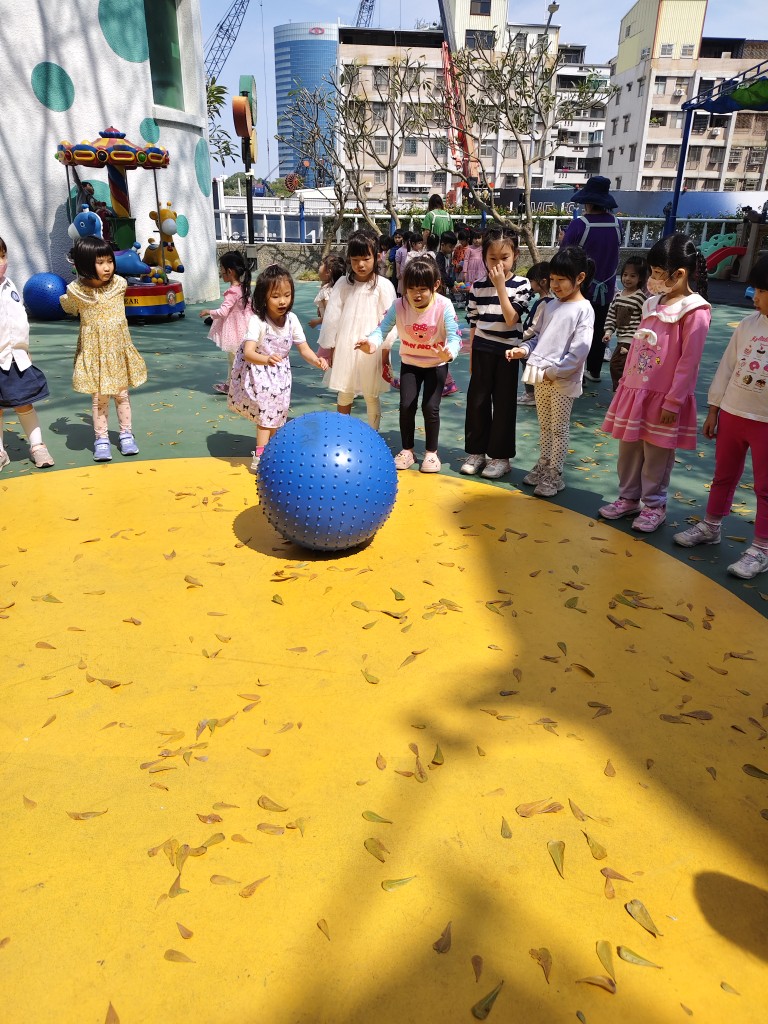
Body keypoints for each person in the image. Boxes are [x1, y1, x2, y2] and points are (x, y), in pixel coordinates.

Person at [599, 233, 711, 533]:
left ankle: (654, 505)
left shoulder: (695, 311)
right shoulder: (651, 304)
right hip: (635, 392)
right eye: (653, 272)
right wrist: (625, 384)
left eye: (658, 273)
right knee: (629, 449)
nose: (653, 279)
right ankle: (628, 498)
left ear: (679, 274)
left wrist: (673, 402)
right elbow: (638, 345)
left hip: (663, 399)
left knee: (657, 455)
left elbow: (689, 362)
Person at [673, 256, 768, 578]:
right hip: (733, 413)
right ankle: (711, 526)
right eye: (754, 289)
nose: (754, 296)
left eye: (761, 290)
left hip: (765, 422)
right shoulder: (749, 324)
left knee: (765, 487)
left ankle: (761, 548)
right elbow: (727, 367)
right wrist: (714, 409)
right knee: (724, 476)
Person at [356, 256, 461, 474]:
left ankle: (431, 453)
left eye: (422, 289)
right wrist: (371, 344)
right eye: (411, 288)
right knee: (406, 405)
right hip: (410, 363)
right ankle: (407, 450)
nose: (416, 294)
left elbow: (454, 337)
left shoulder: (444, 305)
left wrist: (449, 352)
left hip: (436, 364)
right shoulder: (399, 305)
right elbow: (381, 329)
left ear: (435, 285)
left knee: (430, 408)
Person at [507, 247, 594, 497]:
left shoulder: (584, 309)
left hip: (561, 380)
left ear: (580, 278)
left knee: (559, 428)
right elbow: (538, 338)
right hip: (540, 375)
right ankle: (544, 465)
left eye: (561, 280)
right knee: (545, 426)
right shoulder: (550, 305)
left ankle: (555, 474)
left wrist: (555, 372)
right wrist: (523, 350)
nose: (555, 285)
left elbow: (580, 351)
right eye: (552, 279)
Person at [228, 264, 328, 471]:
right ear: (263, 297)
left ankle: (272, 450)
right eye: (275, 296)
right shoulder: (258, 321)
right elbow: (248, 352)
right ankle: (260, 455)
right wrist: (266, 360)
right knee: (266, 415)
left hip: (281, 375)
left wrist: (317, 360)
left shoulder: (292, 320)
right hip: (259, 371)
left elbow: (304, 349)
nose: (282, 301)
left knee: (278, 413)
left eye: (287, 295)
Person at [60, 236, 147, 462]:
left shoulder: (119, 284)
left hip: (117, 350)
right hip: (94, 352)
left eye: (109, 261)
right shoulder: (76, 290)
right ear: (85, 264)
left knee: (121, 394)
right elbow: (69, 307)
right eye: (100, 262)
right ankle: (101, 438)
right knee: (99, 397)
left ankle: (126, 434)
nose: (107, 267)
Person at [460, 227, 531, 479]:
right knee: (477, 402)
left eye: (505, 257)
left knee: (503, 404)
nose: (498, 264)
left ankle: (500, 457)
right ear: (484, 257)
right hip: (482, 350)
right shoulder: (477, 286)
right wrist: (471, 357)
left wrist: (501, 286)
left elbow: (512, 319)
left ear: (516, 255)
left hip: (507, 353)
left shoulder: (522, 284)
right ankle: (476, 452)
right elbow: (473, 323)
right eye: (492, 258)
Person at [317, 230, 396, 430]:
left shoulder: (383, 286)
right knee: (345, 391)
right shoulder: (343, 284)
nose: (360, 264)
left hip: (372, 348)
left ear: (376, 257)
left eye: (366, 259)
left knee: (371, 394)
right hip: (346, 346)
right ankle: (341, 432)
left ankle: (373, 435)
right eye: (355, 259)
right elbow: (332, 318)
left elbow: (389, 321)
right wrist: (329, 348)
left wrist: (385, 353)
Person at [559, 176, 621, 384]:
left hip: (582, 288)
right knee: (600, 328)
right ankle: (594, 371)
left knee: (577, 330)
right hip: (608, 286)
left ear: (587, 201)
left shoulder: (580, 225)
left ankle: (576, 372)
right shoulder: (617, 224)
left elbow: (565, 254)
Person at [0, 236, 54, 470]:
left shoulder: (9, 284)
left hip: (16, 359)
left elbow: (19, 321)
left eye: (3, 256)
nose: (1, 262)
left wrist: (25, 350)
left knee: (24, 404)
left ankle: (37, 446)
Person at [199, 250, 253, 395]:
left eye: (221, 269)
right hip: (246, 327)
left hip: (235, 330)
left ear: (229, 271)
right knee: (242, 358)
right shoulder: (244, 287)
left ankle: (234, 385)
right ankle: (235, 384)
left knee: (234, 359)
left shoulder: (232, 292)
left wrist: (208, 311)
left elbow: (223, 312)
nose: (220, 273)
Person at [603, 255, 648, 391]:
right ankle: (624, 391)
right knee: (624, 366)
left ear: (640, 278)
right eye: (625, 275)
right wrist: (608, 331)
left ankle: (620, 391)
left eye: (632, 276)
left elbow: (645, 318)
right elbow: (612, 315)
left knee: (616, 364)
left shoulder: (640, 297)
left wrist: (642, 337)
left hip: (631, 340)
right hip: (621, 339)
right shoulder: (618, 296)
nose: (627, 279)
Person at [517, 262, 554, 407]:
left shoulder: (545, 302)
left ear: (543, 282)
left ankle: (531, 394)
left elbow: (534, 327)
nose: (530, 284)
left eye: (532, 281)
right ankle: (532, 393)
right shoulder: (543, 300)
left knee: (528, 366)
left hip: (532, 341)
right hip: (532, 339)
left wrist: (520, 337)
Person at [308, 254, 345, 330]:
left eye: (321, 265)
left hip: (331, 329)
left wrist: (316, 322)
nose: (319, 267)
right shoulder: (337, 287)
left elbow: (330, 315)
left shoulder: (326, 291)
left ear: (328, 272)